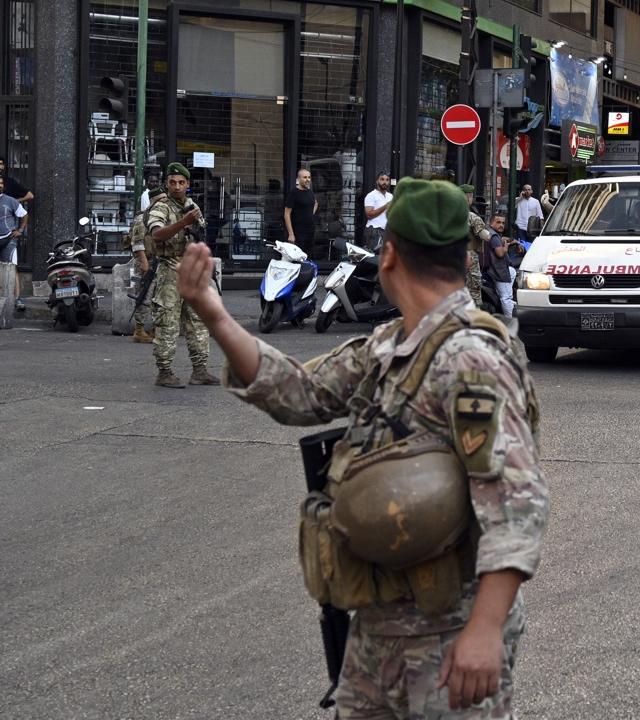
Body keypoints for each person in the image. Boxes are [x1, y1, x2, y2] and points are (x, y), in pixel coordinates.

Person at [174, 177, 548, 716]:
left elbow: (517, 503)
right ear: (461, 256)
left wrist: (485, 632)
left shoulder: (471, 358)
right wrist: (213, 312)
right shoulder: (391, 344)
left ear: (390, 254)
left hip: (448, 636)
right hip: (376, 629)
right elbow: (300, 393)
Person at [146, 163, 217, 388]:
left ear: (188, 185)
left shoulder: (191, 205)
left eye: (181, 183)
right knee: (168, 322)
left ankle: (200, 370)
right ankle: (164, 372)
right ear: (166, 184)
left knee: (198, 321)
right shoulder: (161, 207)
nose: (177, 187)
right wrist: (183, 223)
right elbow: (157, 235)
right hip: (170, 269)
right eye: (172, 182)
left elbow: (200, 233)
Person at [125, 187, 165, 343]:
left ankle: (155, 329)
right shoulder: (143, 218)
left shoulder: (161, 216)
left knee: (158, 297)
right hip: (146, 261)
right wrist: (144, 263)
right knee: (145, 296)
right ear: (154, 201)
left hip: (158, 261)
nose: (165, 202)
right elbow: (137, 242)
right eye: (161, 199)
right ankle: (139, 330)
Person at [484, 214, 516, 316]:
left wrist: (516, 242)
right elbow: (500, 253)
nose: (501, 225)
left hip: (494, 270)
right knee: (506, 297)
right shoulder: (494, 237)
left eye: (503, 223)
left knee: (512, 271)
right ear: (491, 223)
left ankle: (506, 296)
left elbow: (502, 239)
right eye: (498, 222)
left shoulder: (491, 233)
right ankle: (510, 320)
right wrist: (505, 249)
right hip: (498, 271)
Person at [463, 184, 489, 306]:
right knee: (474, 288)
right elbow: (485, 236)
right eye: (471, 196)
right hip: (469, 255)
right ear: (468, 197)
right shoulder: (471, 216)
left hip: (449, 257)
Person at [284, 168, 318, 254]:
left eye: (309, 177)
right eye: (305, 177)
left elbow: (316, 203)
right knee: (297, 258)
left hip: (310, 231)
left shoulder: (310, 192)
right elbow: (287, 214)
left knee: (308, 258)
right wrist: (291, 234)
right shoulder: (294, 193)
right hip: (298, 232)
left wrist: (309, 214)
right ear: (298, 179)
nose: (307, 180)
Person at [0, 177, 28, 266]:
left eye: (1, 183)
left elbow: (24, 215)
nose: (0, 185)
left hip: (8, 239)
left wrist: (20, 230)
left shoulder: (10, 200)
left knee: (11, 268)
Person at [363, 171, 392, 252]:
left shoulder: (390, 196)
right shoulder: (371, 195)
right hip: (374, 231)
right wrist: (385, 206)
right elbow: (369, 214)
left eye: (387, 180)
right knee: (373, 258)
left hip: (387, 231)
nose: (384, 182)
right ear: (377, 181)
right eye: (382, 179)